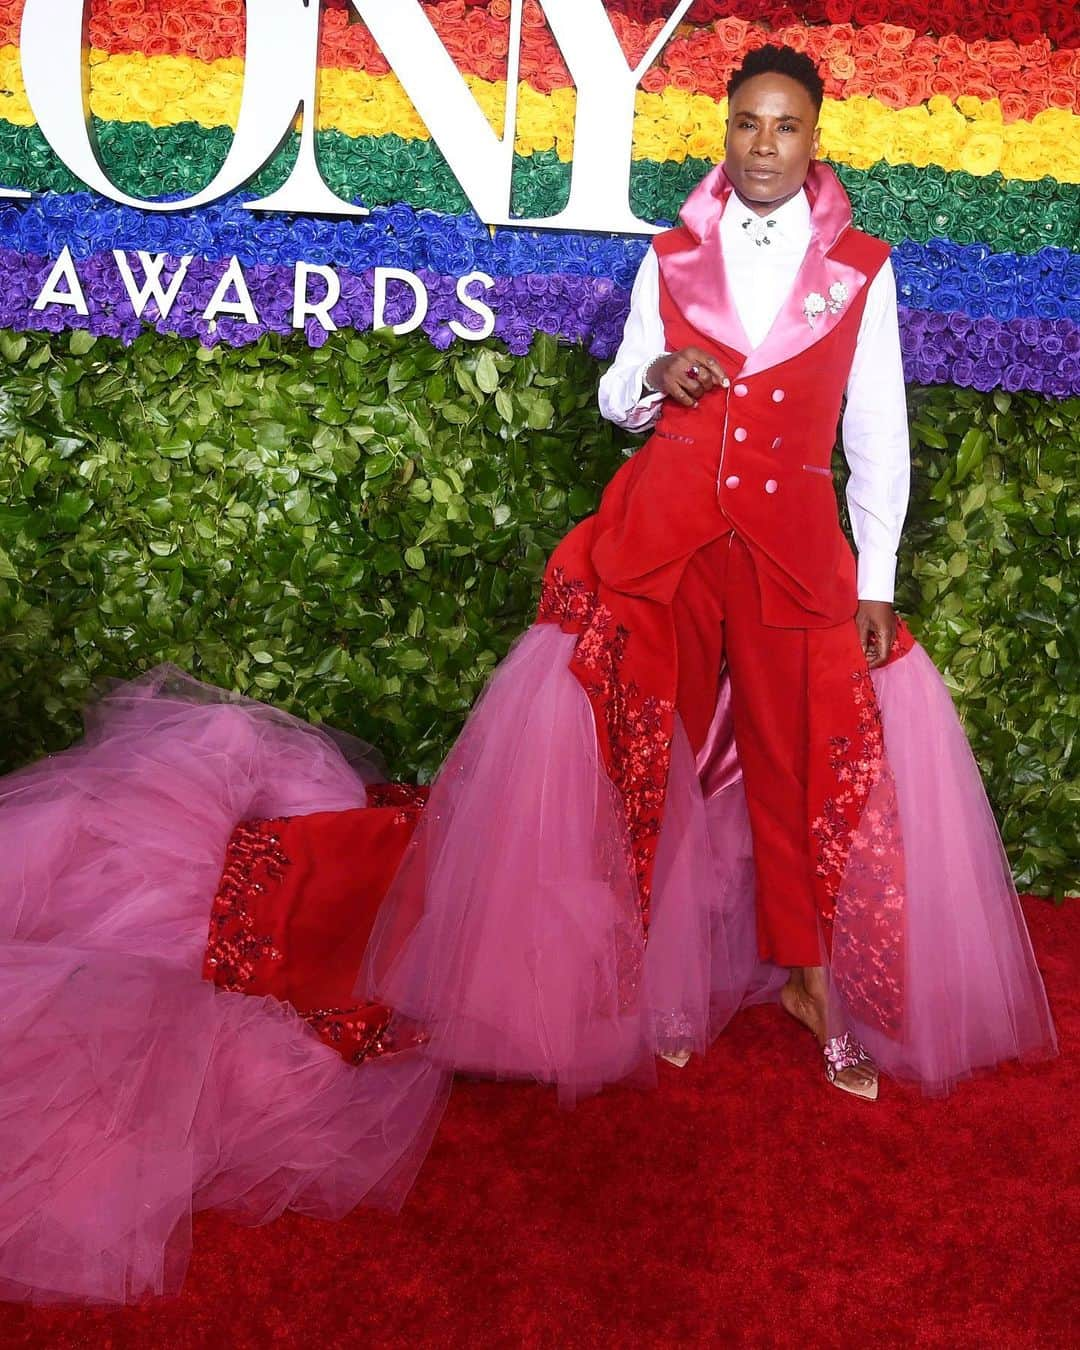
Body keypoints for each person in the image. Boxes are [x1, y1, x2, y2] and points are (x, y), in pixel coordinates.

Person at [0, 45, 1057, 1307]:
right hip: (663, 533)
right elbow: (617, 389)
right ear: (723, 132)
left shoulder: (865, 276)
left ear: (817, 141)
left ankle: (809, 972)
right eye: (746, 124)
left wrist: (876, 577)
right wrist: (652, 379)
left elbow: (876, 430)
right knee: (643, 744)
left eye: (786, 127)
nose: (763, 145)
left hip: (790, 551)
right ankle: (660, 971)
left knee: (797, 752)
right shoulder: (666, 261)